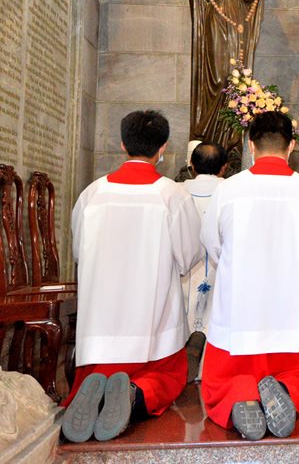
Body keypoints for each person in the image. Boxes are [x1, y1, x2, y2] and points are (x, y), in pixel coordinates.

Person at [61, 111, 202, 443]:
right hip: (152, 327)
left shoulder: (92, 194)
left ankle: (95, 394)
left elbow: (79, 252)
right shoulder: (172, 195)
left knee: (96, 373)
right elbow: (190, 255)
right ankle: (134, 395)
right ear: (163, 148)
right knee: (168, 377)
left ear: (123, 144)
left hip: (100, 328)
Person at [199, 112, 299, 440]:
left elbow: (212, 244)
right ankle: (284, 389)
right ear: (291, 147)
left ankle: (239, 395)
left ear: (251, 145)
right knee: (294, 371)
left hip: (239, 310)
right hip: (289, 312)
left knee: (224, 377)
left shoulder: (229, 190)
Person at [187, 0, 274, 153]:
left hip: (239, 22)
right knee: (219, 76)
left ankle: (232, 141)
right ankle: (209, 139)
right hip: (216, 19)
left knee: (237, 77)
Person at [180, 141, 227, 383]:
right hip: (220, 266)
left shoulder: (176, 190)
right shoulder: (231, 190)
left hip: (185, 267)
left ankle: (182, 355)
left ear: (192, 165)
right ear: (224, 167)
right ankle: (208, 363)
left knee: (184, 308)